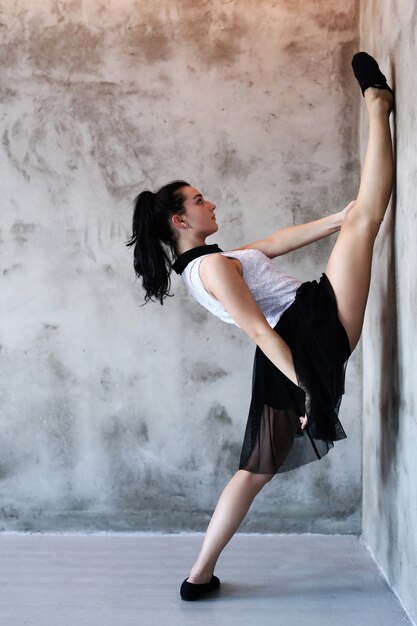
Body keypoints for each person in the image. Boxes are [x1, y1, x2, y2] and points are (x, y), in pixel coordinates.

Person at [126, 52, 394, 601]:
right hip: (304, 332)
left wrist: (333, 220)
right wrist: (310, 391)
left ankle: (199, 575)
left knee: (253, 471)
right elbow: (259, 332)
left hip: (294, 340)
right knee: (370, 216)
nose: (211, 202)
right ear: (181, 220)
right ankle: (377, 104)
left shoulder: (205, 264)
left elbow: (271, 244)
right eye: (200, 200)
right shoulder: (214, 268)